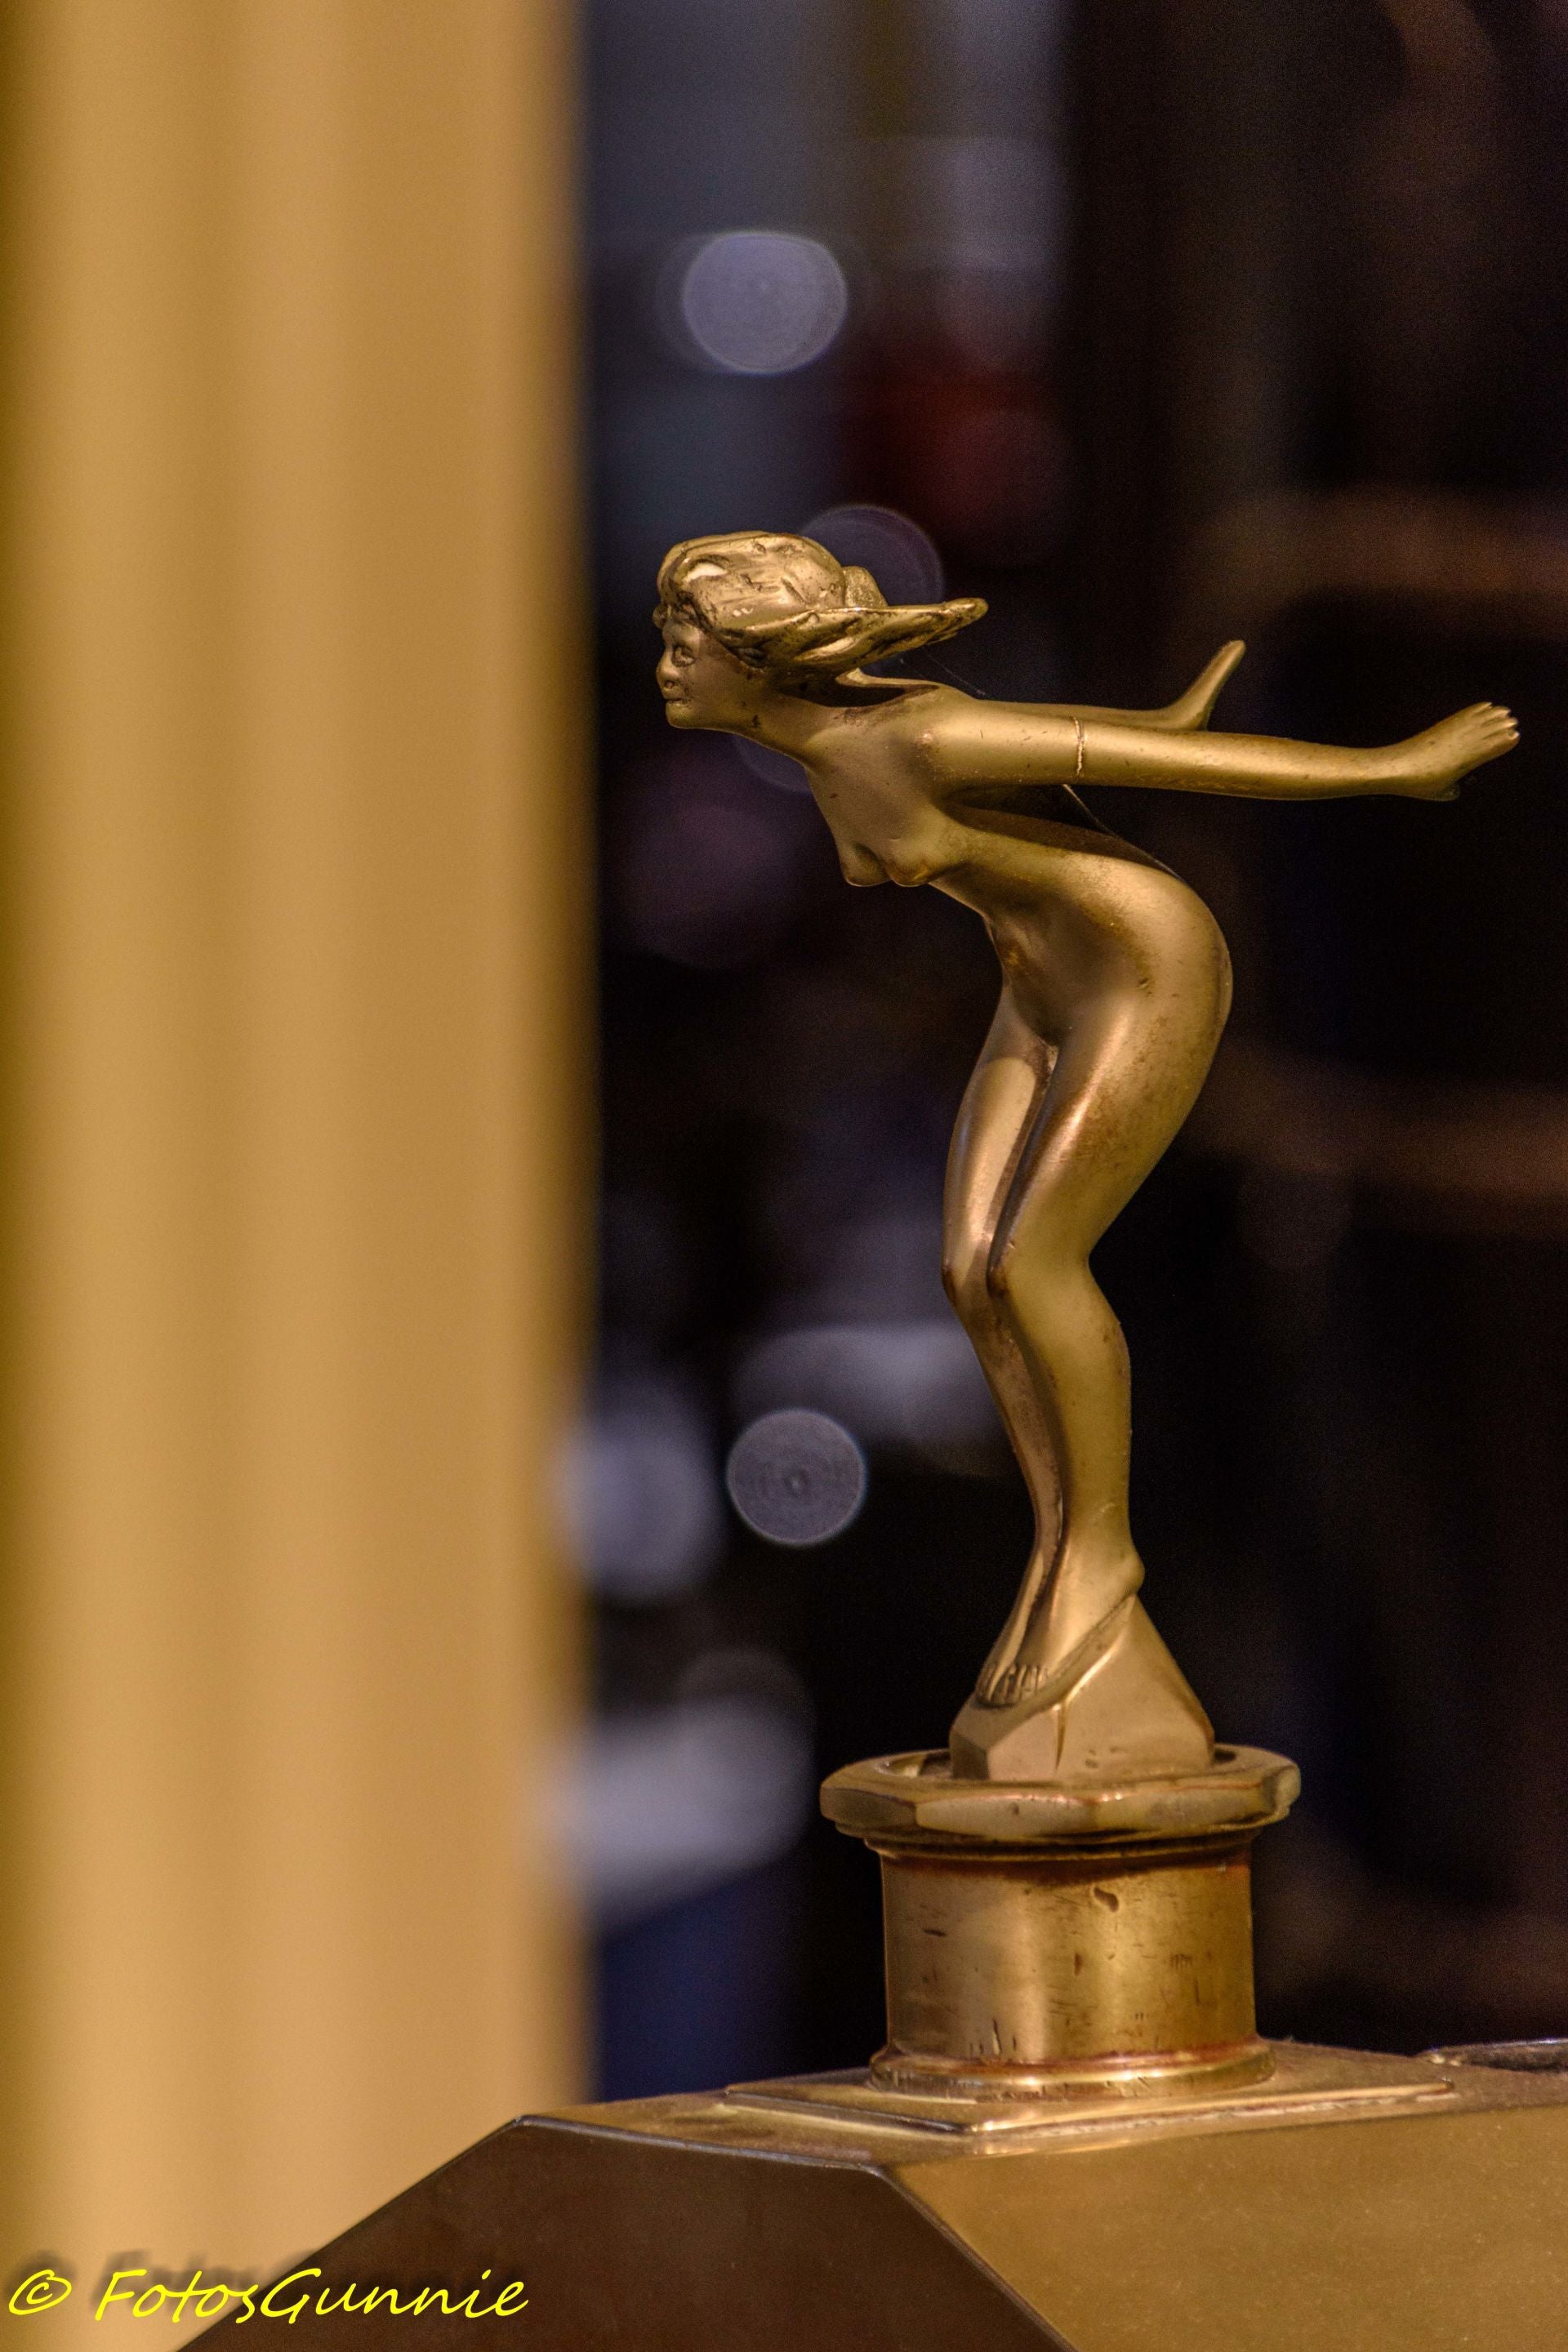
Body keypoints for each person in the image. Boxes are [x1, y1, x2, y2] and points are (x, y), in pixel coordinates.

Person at [655, 531, 1517, 1782]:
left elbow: (1178, 769)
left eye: (687, 641)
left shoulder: (918, 741)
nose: (668, 665)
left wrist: (1393, 766)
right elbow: (1102, 740)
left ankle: (1100, 1554)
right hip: (1039, 983)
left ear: (757, 658)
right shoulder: (832, 747)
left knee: (1035, 1261)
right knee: (970, 1268)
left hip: (1142, 968)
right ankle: (1062, 1548)